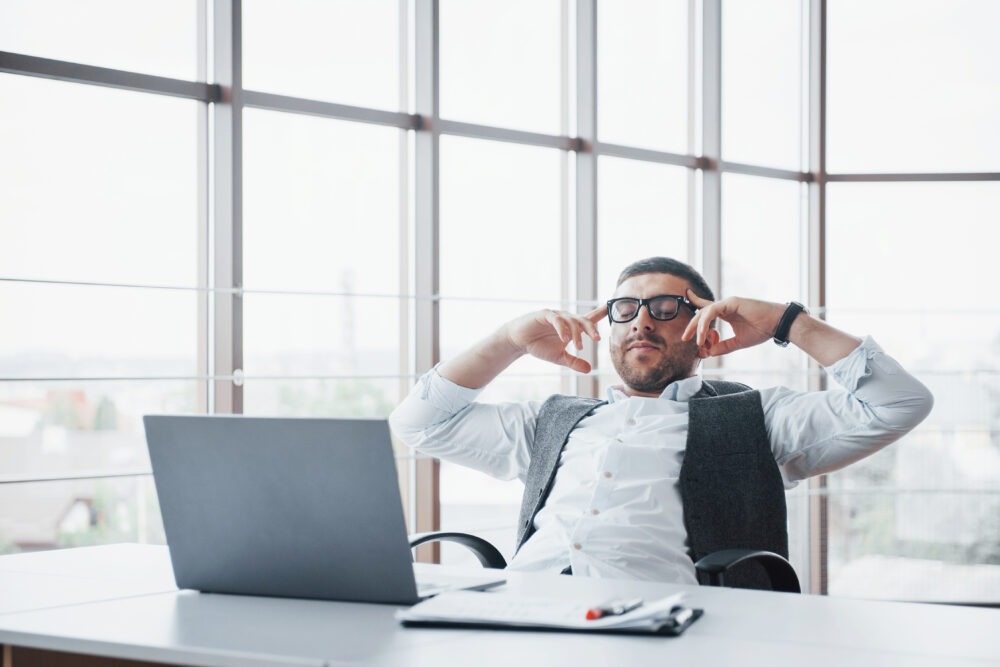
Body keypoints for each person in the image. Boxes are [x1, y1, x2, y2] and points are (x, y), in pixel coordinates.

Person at [389, 257, 933, 584]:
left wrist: (786, 322)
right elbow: (420, 423)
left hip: (667, 627)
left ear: (706, 329)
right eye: (625, 308)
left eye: (666, 308)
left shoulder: (757, 418)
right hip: (528, 610)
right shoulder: (553, 422)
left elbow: (899, 403)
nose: (642, 321)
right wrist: (507, 341)